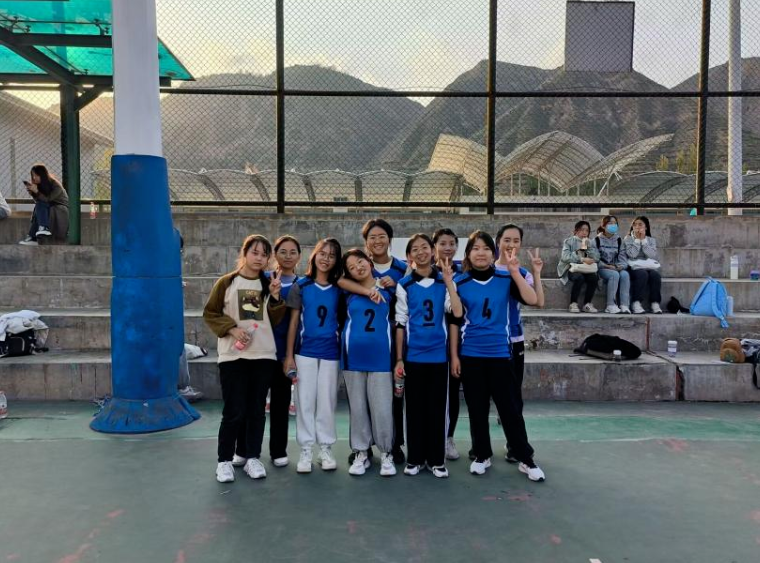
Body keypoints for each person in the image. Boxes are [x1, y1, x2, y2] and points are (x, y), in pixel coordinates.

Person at [449, 230, 545, 482]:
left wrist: (516, 272)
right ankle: (482, 455)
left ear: (493, 253)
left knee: (510, 409)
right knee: (477, 408)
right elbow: (455, 320)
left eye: (485, 248)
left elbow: (534, 299)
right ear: (468, 254)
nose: (480, 253)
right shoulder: (460, 281)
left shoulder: (505, 277)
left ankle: (525, 458)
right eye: (475, 248)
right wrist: (455, 357)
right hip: (471, 354)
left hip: (501, 354)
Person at [203, 235, 286, 483]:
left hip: (263, 354)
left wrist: (276, 297)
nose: (259, 258)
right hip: (233, 356)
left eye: (264, 254)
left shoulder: (269, 283)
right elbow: (211, 313)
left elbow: (275, 319)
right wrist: (231, 329)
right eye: (255, 252)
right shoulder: (226, 282)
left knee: (256, 410)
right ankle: (224, 461)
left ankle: (252, 457)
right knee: (233, 411)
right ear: (244, 253)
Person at [395, 234, 462, 478]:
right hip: (414, 357)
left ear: (433, 251)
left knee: (437, 410)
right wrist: (399, 358)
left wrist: (449, 282)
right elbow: (400, 323)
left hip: (438, 357)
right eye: (415, 249)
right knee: (414, 409)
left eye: (425, 247)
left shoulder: (444, 281)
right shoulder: (405, 284)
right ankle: (415, 458)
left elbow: (457, 312)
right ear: (409, 256)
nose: (421, 252)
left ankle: (436, 459)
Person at [341, 218, 408, 465]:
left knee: (391, 397)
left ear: (390, 239)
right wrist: (367, 290)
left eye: (382, 236)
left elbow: (408, 296)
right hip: (361, 342)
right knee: (361, 399)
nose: (377, 241)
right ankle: (364, 447)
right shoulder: (357, 267)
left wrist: (396, 284)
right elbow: (341, 281)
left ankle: (392, 445)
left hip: (389, 340)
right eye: (372, 237)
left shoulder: (401, 268)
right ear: (366, 242)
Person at [284, 238, 342, 474]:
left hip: (331, 352)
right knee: (304, 401)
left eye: (332, 255)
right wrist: (289, 356)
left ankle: (325, 448)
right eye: (322, 253)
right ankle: (306, 449)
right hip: (305, 351)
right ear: (314, 255)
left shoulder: (339, 287)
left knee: (327, 401)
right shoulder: (301, 285)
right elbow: (293, 323)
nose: (326, 258)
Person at [341, 248, 396, 477]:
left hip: (381, 357)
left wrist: (388, 284)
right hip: (353, 357)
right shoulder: (347, 291)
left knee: (382, 408)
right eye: (351, 267)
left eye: (360, 262)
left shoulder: (389, 286)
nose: (358, 267)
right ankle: (361, 452)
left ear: (369, 261)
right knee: (358, 408)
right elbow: (337, 280)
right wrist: (366, 291)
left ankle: (386, 452)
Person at [494, 224, 544, 462]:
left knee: (514, 398)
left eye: (516, 240)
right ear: (498, 242)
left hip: (513, 341)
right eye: (507, 240)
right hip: (488, 343)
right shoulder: (486, 270)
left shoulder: (522, 273)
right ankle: (480, 449)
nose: (511, 244)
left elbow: (538, 302)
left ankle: (515, 445)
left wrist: (536, 273)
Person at [262, 235, 302, 469]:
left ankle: (278, 451)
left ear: (299, 256)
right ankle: (246, 450)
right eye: (283, 251)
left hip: (285, 354)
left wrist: (291, 355)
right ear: (274, 254)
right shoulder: (263, 278)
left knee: (280, 403)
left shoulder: (302, 284)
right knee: (254, 403)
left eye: (292, 252)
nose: (287, 256)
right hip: (260, 351)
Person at [433, 228, 464, 461]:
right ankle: (428, 437)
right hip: (428, 342)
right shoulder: (425, 271)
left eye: (452, 243)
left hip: (455, 340)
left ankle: (448, 437)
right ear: (434, 246)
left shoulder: (463, 272)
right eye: (442, 243)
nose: (447, 247)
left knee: (452, 392)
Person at [18, 164, 69, 246]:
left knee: (40, 205)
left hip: (60, 209)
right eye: (33, 175)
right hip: (49, 208)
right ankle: (34, 236)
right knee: (39, 205)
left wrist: (37, 192)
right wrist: (33, 193)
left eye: (36, 175)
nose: (34, 178)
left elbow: (48, 199)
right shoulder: (40, 185)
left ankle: (38, 232)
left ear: (42, 175)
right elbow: (41, 201)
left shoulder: (56, 185)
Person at [557, 220, 600, 313]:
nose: (584, 232)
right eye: (582, 230)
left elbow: (597, 257)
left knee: (594, 278)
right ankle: (573, 303)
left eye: (587, 230)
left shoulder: (590, 242)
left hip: (586, 269)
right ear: (576, 231)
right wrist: (582, 258)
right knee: (579, 278)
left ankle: (587, 304)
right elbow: (565, 257)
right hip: (571, 268)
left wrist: (589, 249)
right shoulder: (569, 241)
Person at [624, 216, 663, 314]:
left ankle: (655, 303)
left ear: (646, 227)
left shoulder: (651, 240)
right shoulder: (628, 239)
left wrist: (644, 241)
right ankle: (636, 302)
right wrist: (637, 240)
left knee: (655, 275)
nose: (637, 226)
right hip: (633, 267)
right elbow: (632, 255)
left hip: (647, 266)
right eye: (635, 224)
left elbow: (651, 255)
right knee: (642, 274)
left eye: (640, 224)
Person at [595, 215, 631, 314]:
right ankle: (610, 305)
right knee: (614, 275)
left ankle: (624, 305)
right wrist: (607, 266)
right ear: (603, 226)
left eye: (615, 223)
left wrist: (621, 266)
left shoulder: (619, 240)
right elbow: (595, 259)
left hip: (615, 267)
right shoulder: (597, 240)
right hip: (602, 268)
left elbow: (623, 259)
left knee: (625, 274)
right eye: (610, 223)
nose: (613, 225)